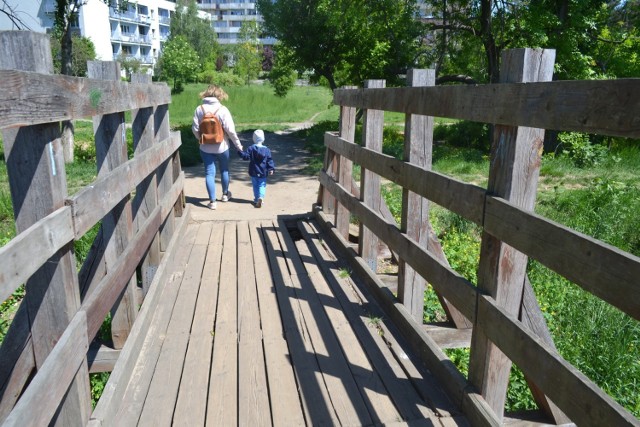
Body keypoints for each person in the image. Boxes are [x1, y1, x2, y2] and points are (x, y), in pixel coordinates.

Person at [192, 85, 243, 210]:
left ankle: (212, 201)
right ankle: (225, 195)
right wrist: (238, 145)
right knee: (224, 170)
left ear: (206, 94)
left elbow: (194, 129)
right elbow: (230, 130)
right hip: (222, 146)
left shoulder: (199, 109)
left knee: (209, 173)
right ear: (219, 95)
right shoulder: (222, 109)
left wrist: (201, 139)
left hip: (205, 148)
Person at [238, 129, 275, 208]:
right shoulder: (267, 150)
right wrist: (271, 169)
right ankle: (261, 197)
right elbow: (269, 160)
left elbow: (246, 157)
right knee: (262, 185)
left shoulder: (251, 148)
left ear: (253, 139)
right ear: (263, 139)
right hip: (263, 171)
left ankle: (256, 199)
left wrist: (240, 151)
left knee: (255, 185)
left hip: (253, 170)